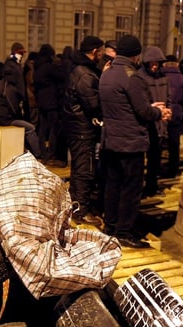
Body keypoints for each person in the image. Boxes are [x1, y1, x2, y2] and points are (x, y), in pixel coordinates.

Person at [99, 35, 171, 248]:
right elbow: (142, 111)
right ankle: (124, 232)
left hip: (111, 140)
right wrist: (159, 112)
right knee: (130, 189)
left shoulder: (107, 74)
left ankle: (110, 227)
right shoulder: (133, 77)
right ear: (136, 55)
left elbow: (123, 106)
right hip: (130, 143)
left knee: (113, 186)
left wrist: (151, 108)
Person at [61, 35, 105, 224]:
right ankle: (80, 211)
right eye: (101, 51)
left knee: (79, 168)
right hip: (82, 129)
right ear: (95, 51)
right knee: (84, 170)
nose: (103, 54)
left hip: (76, 127)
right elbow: (93, 105)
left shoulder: (81, 70)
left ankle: (74, 205)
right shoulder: (86, 75)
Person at [0, 42, 41, 158]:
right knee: (30, 128)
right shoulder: (9, 88)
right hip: (5, 119)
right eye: (20, 53)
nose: (22, 56)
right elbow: (12, 107)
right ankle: (37, 155)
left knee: (24, 127)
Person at [136, 46, 172, 198]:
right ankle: (139, 188)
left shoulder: (164, 78)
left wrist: (169, 110)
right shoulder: (140, 77)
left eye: (157, 63)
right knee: (139, 160)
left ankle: (152, 186)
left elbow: (168, 97)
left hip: (160, 123)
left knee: (155, 158)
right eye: (152, 63)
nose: (155, 66)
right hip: (146, 123)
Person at [162, 54, 183, 177]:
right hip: (176, 112)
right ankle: (173, 169)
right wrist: (182, 104)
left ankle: (156, 168)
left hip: (159, 111)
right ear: (177, 65)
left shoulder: (159, 77)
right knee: (174, 142)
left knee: (157, 141)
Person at [34, 44, 66, 167]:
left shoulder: (38, 66)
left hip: (41, 101)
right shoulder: (49, 67)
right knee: (53, 129)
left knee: (42, 130)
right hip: (51, 102)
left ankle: (43, 154)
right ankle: (51, 155)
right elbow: (61, 75)